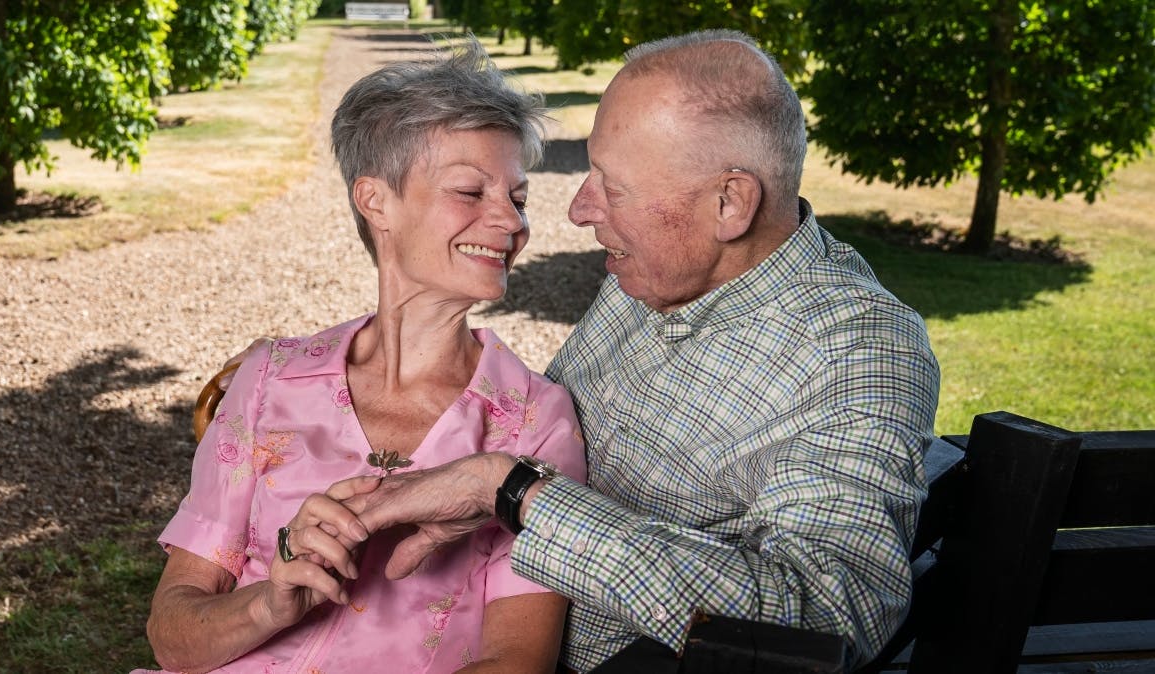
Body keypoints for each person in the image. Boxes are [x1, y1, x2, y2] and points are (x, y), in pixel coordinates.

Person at [332, 29, 942, 672]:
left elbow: (831, 616)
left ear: (729, 203)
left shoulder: (856, 353)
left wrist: (513, 494)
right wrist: (332, 387)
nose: (577, 208)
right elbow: (539, 418)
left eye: (612, 187)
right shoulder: (657, 269)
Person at [138, 39, 586, 674]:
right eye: (470, 191)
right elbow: (172, 637)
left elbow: (517, 663)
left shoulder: (534, 424)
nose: (511, 223)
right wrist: (269, 604)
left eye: (518, 198)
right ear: (376, 201)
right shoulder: (269, 380)